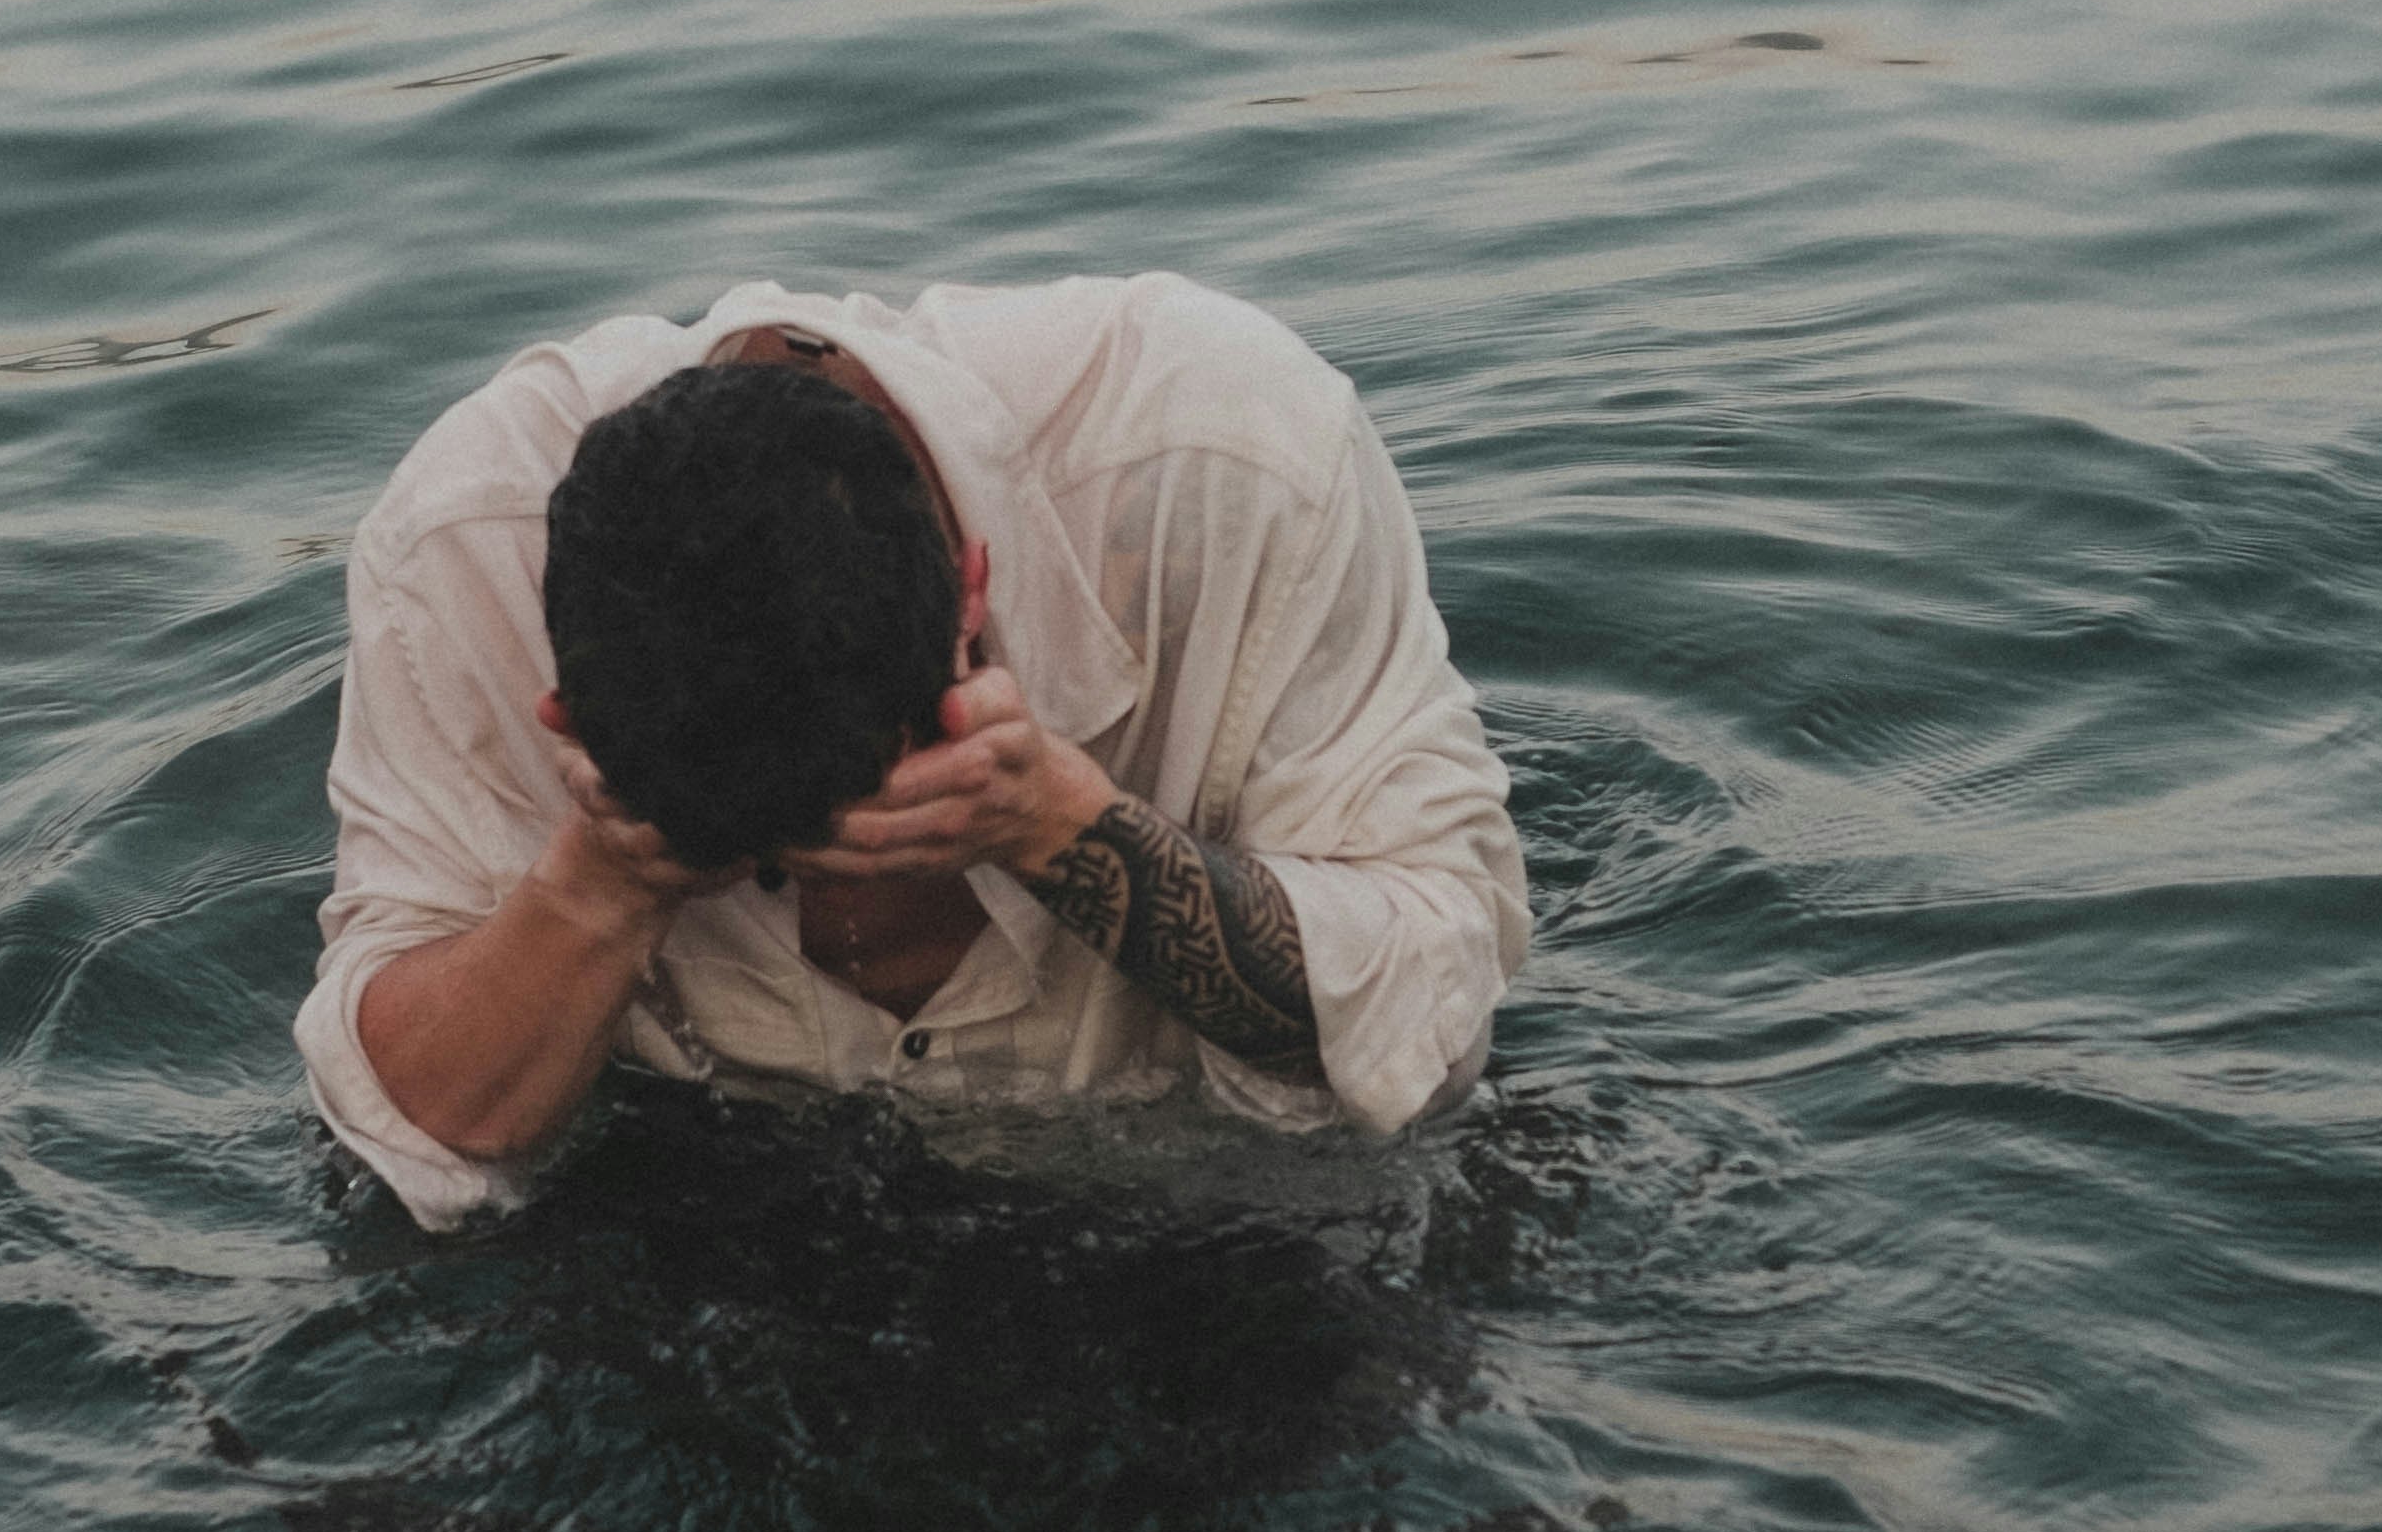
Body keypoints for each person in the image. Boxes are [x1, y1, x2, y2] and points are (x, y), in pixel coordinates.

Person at [296, 271, 1528, 1230]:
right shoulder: (460, 560)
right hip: (712, 1207)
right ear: (560, 704)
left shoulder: (1234, 458)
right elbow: (421, 1133)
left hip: (1227, 1212)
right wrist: (604, 879)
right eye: (755, 852)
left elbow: (1436, 1016)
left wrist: (1061, 825)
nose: (848, 886)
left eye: (896, 804)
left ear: (970, 599)